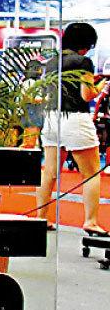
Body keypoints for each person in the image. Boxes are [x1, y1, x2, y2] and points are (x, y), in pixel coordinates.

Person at [37, 22, 108, 236]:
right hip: (75, 119)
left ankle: (41, 218)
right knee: (91, 173)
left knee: (49, 172)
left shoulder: (52, 62)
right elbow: (86, 95)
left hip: (52, 119)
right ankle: (90, 221)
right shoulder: (83, 62)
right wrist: (102, 86)